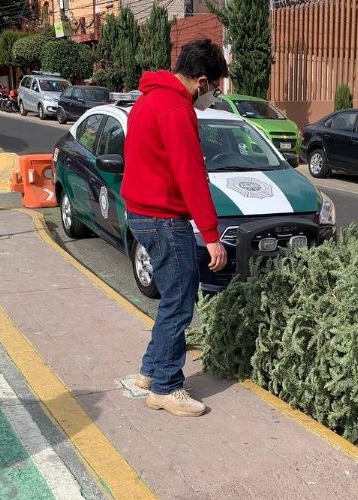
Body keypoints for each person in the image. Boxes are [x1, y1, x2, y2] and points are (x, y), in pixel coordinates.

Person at [121, 39, 229, 417]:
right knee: (181, 300)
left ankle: (151, 371)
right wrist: (212, 236)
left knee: (170, 297)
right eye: (215, 88)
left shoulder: (148, 100)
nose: (214, 95)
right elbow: (191, 176)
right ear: (201, 80)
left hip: (142, 212)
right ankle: (167, 386)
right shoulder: (175, 110)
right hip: (163, 218)